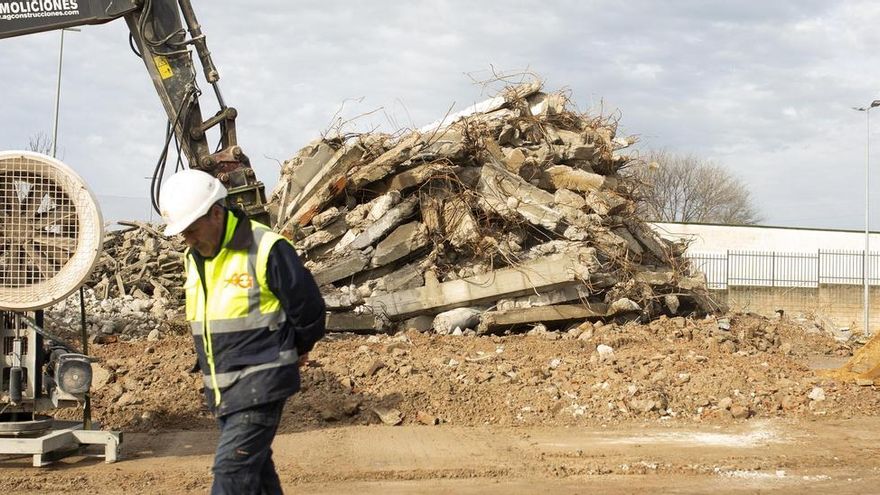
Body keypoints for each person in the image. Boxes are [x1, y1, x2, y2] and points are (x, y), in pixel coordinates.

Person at [159, 169, 325, 494]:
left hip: (261, 383)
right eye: (182, 234)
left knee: (231, 474)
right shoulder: (194, 258)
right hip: (224, 388)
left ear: (216, 214)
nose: (187, 239)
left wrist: (296, 348)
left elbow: (309, 308)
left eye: (191, 230)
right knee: (258, 475)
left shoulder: (266, 248)